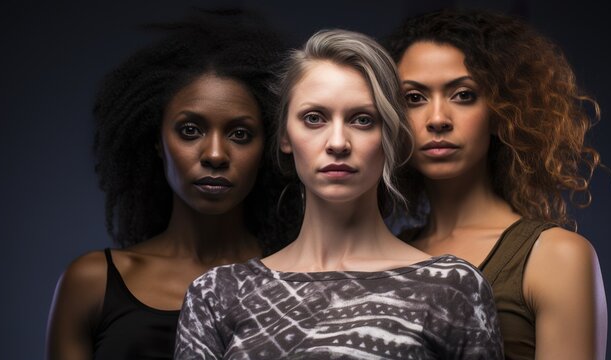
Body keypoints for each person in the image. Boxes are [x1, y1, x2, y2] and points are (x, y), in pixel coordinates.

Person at [175, 29, 503, 360]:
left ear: (390, 134)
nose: (337, 143)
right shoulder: (216, 294)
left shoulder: (451, 287)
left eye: (362, 120)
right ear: (285, 135)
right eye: (314, 118)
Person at [46, 9, 288, 360]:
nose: (216, 154)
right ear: (157, 141)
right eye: (190, 130)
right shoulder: (92, 283)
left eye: (240, 133)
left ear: (266, 146)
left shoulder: (298, 280)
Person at [385, 9, 608, 360]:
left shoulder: (555, 256)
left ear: (500, 111)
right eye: (414, 98)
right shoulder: (381, 256)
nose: (438, 119)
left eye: (463, 95)